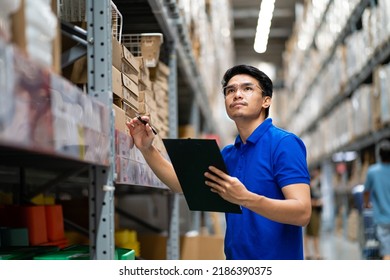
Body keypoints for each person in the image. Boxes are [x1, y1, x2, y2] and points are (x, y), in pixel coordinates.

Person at [127, 64, 311, 260]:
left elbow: (302, 212)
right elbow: (181, 184)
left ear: (266, 101)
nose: (237, 95)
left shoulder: (284, 144)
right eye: (230, 90)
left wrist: (245, 198)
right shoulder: (229, 154)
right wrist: (147, 148)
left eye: (247, 88)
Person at [363, 139, 390, 260]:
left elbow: (366, 191)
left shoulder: (373, 172)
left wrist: (367, 203)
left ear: (379, 155)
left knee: (386, 251)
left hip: (382, 219)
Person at [304, 168, 323, 260]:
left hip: (316, 211)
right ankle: (316, 253)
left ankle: (309, 253)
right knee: (314, 233)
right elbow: (306, 200)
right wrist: (317, 203)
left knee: (310, 233)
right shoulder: (309, 187)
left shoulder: (317, 187)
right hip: (313, 212)